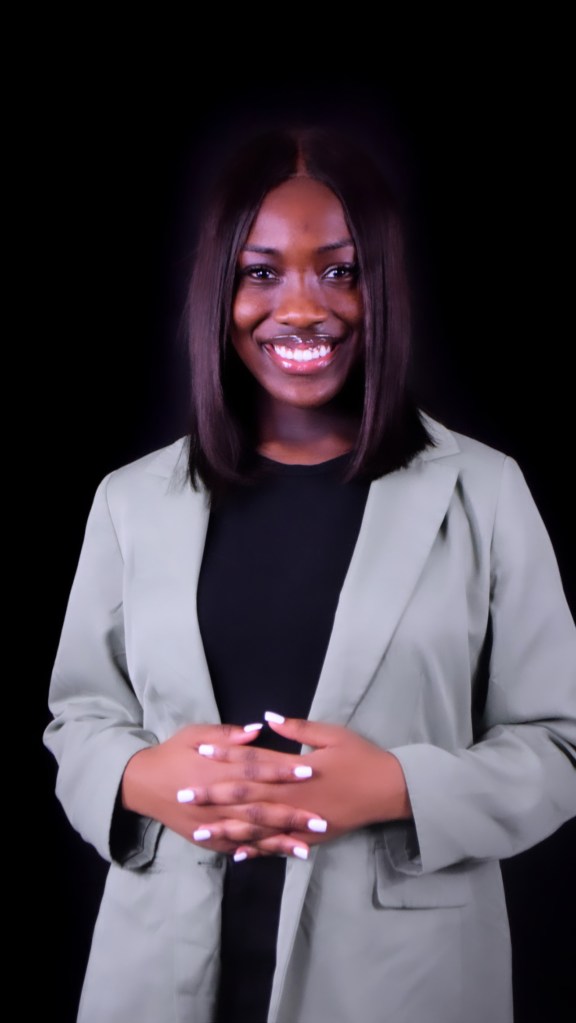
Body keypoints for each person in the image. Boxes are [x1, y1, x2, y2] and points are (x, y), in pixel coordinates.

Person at [44, 123, 576, 1023]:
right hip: (160, 974)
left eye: (339, 269)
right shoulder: (129, 502)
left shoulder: (483, 493)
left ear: (383, 284)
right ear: (220, 288)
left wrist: (396, 787)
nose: (301, 307)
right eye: (261, 272)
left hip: (401, 982)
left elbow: (559, 745)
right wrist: (143, 781)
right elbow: (80, 717)